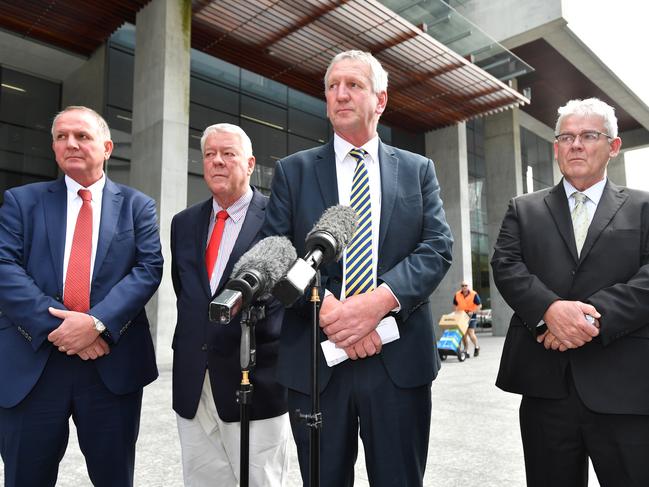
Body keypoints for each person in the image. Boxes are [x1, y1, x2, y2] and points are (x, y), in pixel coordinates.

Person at [263, 50, 453, 486]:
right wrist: (328, 309)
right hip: (317, 360)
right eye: (332, 87)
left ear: (380, 100)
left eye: (354, 85)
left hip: (398, 360)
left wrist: (376, 304)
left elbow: (437, 247)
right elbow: (275, 249)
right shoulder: (294, 171)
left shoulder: (417, 169)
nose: (340, 94)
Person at [0, 106, 163, 486]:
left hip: (111, 363)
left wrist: (95, 325)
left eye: (82, 136)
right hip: (33, 364)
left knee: (113, 478)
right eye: (61, 136)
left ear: (107, 147)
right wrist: (62, 328)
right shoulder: (21, 202)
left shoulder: (138, 206)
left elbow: (147, 269)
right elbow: (4, 267)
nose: (70, 143)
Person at [492, 97, 649, 487]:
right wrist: (550, 310)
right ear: (556, 147)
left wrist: (588, 317)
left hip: (625, 388)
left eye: (588, 135)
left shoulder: (644, 207)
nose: (575, 144)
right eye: (566, 136)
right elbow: (506, 266)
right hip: (546, 387)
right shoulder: (523, 208)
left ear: (613, 147)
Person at [170, 123, 290, 487]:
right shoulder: (183, 222)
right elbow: (187, 294)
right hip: (194, 381)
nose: (217, 162)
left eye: (228, 154)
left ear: (250, 164)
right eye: (209, 154)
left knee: (261, 480)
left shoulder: (277, 217)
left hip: (256, 380)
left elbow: (285, 296)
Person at [453, 281, 482, 357]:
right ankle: (466, 350)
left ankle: (476, 347)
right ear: (461, 287)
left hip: (471, 316)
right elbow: (455, 305)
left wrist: (473, 312)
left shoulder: (473, 294)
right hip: (462, 317)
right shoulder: (457, 294)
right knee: (463, 334)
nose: (464, 287)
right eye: (462, 285)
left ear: (468, 286)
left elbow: (479, 305)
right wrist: (456, 313)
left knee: (471, 332)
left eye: (465, 285)